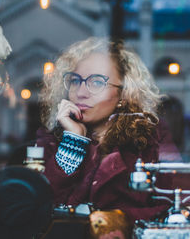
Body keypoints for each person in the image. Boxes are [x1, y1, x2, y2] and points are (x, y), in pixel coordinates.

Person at [36, 37, 171, 228]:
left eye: (97, 82)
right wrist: (73, 143)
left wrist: (119, 221)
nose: (81, 93)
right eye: (75, 81)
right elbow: (39, 207)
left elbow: (173, 209)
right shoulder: (52, 138)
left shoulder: (150, 140)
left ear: (124, 93)